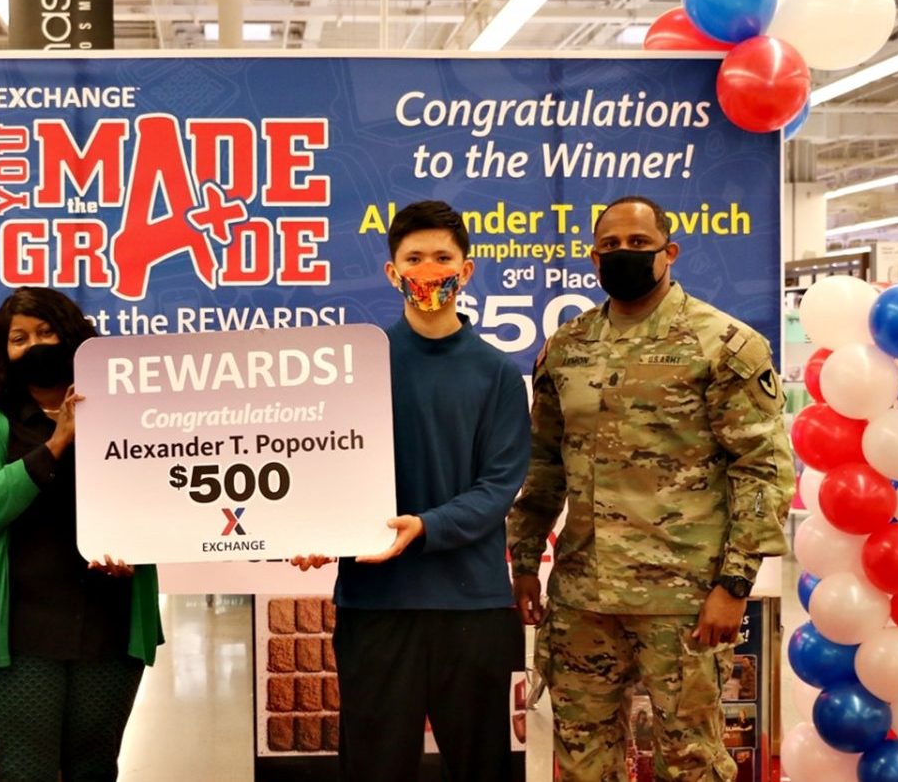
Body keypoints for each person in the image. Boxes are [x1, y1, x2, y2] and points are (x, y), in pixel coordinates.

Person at [508, 195, 792, 781]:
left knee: (689, 761)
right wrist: (524, 560)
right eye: (610, 246)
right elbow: (543, 464)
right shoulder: (568, 347)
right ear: (593, 258)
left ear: (670, 251)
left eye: (638, 244)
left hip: (683, 600)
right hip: (583, 595)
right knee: (582, 758)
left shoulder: (723, 345)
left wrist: (735, 583)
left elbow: (761, 467)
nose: (624, 254)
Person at [293, 200, 530, 781]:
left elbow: (499, 486)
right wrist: (309, 531)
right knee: (375, 767)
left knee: (483, 767)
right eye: (414, 259)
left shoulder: (496, 372)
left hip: (470, 606)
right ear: (393, 272)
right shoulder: (350, 368)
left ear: (467, 270)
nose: (429, 271)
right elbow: (316, 469)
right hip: (376, 604)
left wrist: (425, 527)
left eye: (443, 258)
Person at [0, 288, 163, 782]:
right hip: (23, 630)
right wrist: (57, 442)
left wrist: (139, 549)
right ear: (3, 352)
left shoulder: (127, 410)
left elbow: (158, 500)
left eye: (46, 332)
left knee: (94, 767)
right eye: (19, 338)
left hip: (111, 624)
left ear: (73, 337)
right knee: (27, 770)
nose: (35, 345)